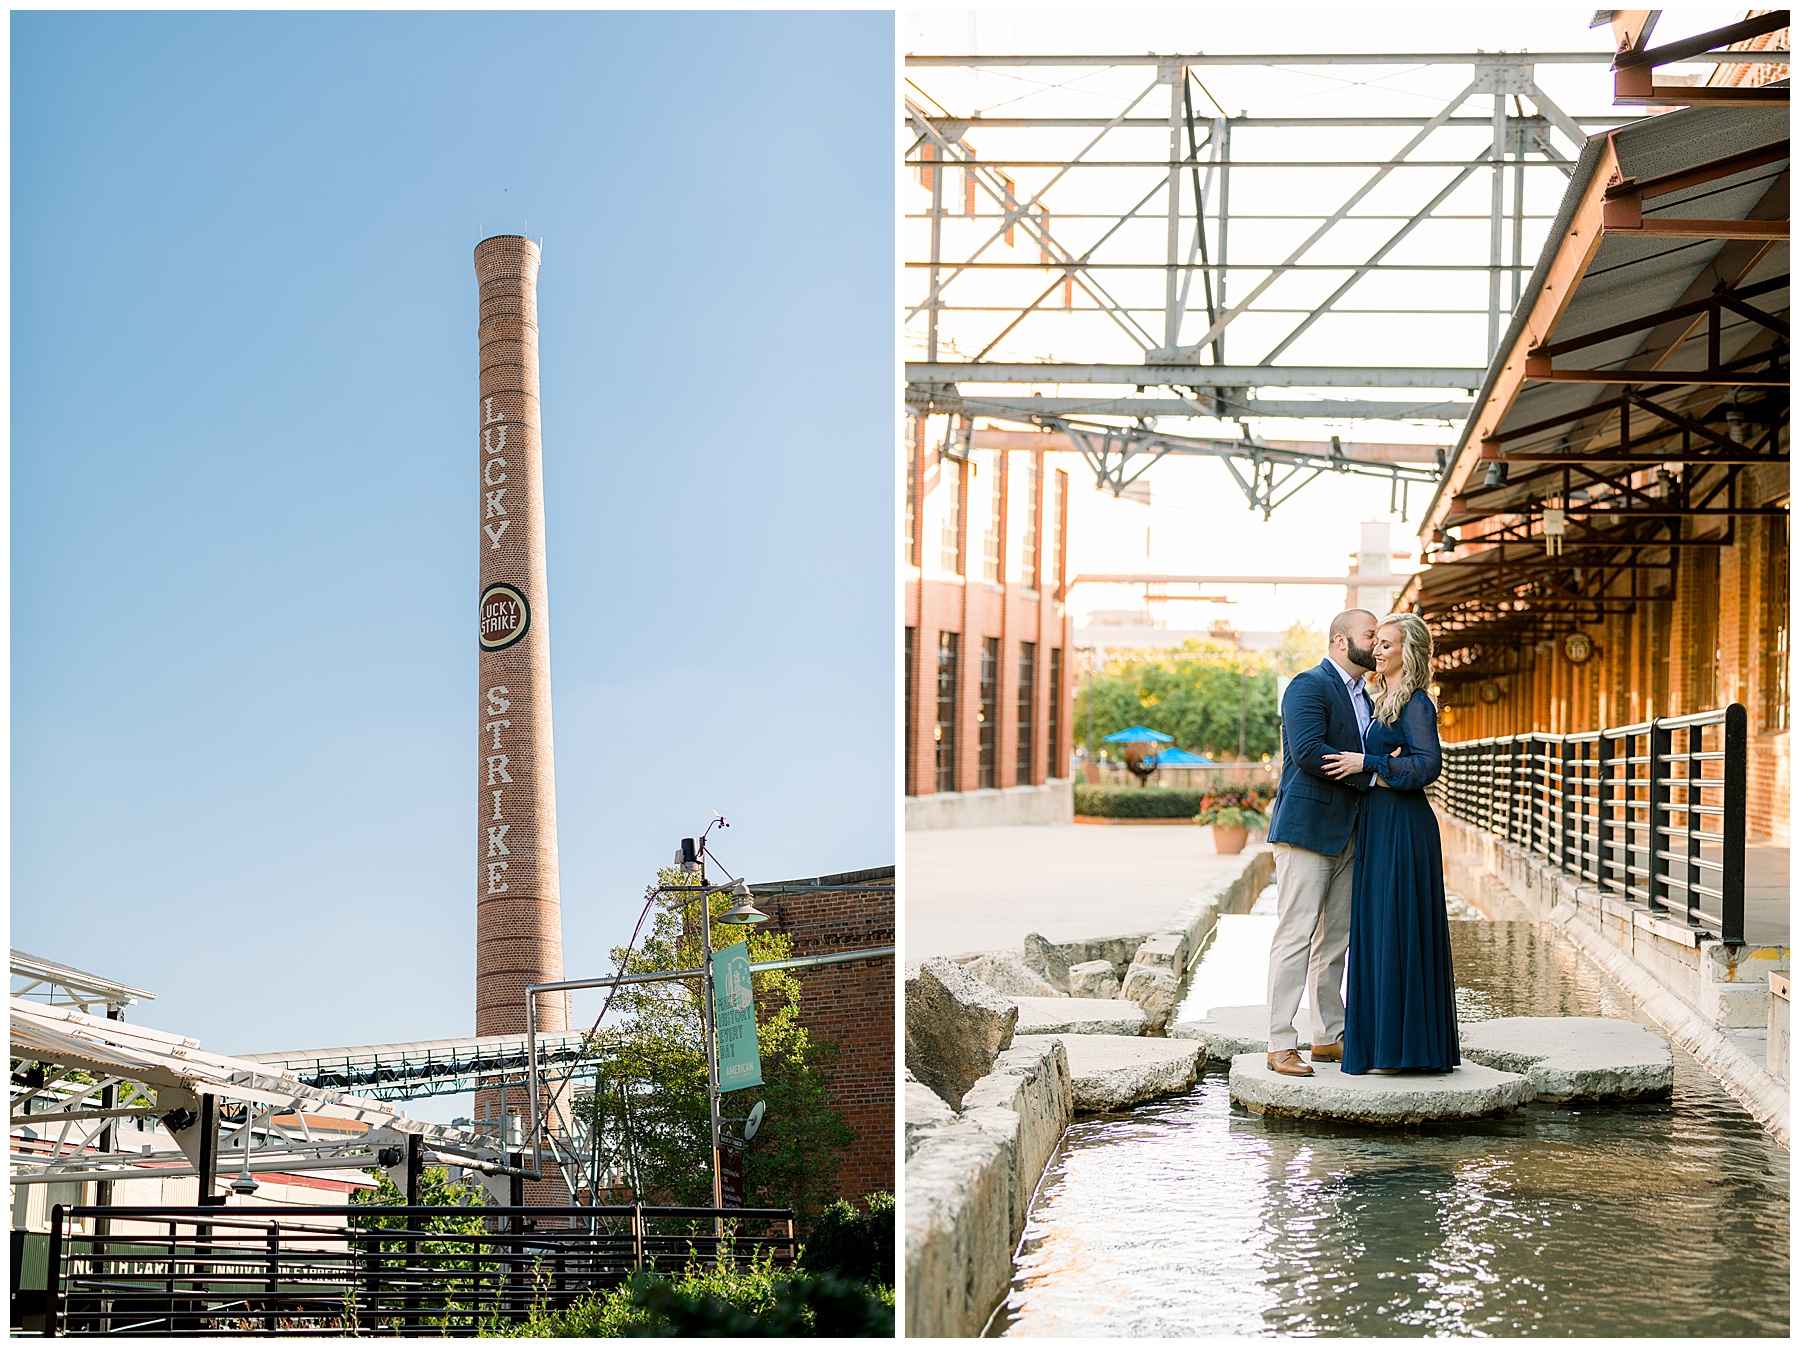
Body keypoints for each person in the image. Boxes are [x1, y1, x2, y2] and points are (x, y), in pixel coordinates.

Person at [1322, 612, 1460, 1075]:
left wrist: (1371, 762)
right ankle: (1385, 1045)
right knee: (1379, 929)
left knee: (1397, 928)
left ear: (1409, 652)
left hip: (1404, 827)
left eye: (1386, 644)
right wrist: (1380, 761)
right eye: (1375, 643)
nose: (1377, 651)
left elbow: (1427, 766)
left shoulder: (1417, 703)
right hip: (1379, 823)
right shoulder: (1382, 697)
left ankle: (1408, 1050)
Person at [1261, 609, 1377, 1078]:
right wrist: (1371, 769)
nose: (1378, 642)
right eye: (1371, 634)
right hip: (1307, 831)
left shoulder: (1365, 694)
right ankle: (1279, 1042)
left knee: (1335, 941)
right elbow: (1308, 750)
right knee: (1295, 935)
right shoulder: (1308, 684)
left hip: (1351, 831)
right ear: (1341, 641)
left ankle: (1329, 1035)